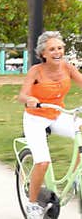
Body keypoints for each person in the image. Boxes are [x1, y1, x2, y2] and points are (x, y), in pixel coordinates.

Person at [18, 31, 82, 219]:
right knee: (43, 161)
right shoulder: (36, 71)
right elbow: (22, 95)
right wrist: (29, 99)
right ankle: (32, 205)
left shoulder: (67, 68)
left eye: (60, 48)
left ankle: (76, 177)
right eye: (52, 49)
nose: (57, 52)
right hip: (35, 118)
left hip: (58, 114)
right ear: (43, 53)